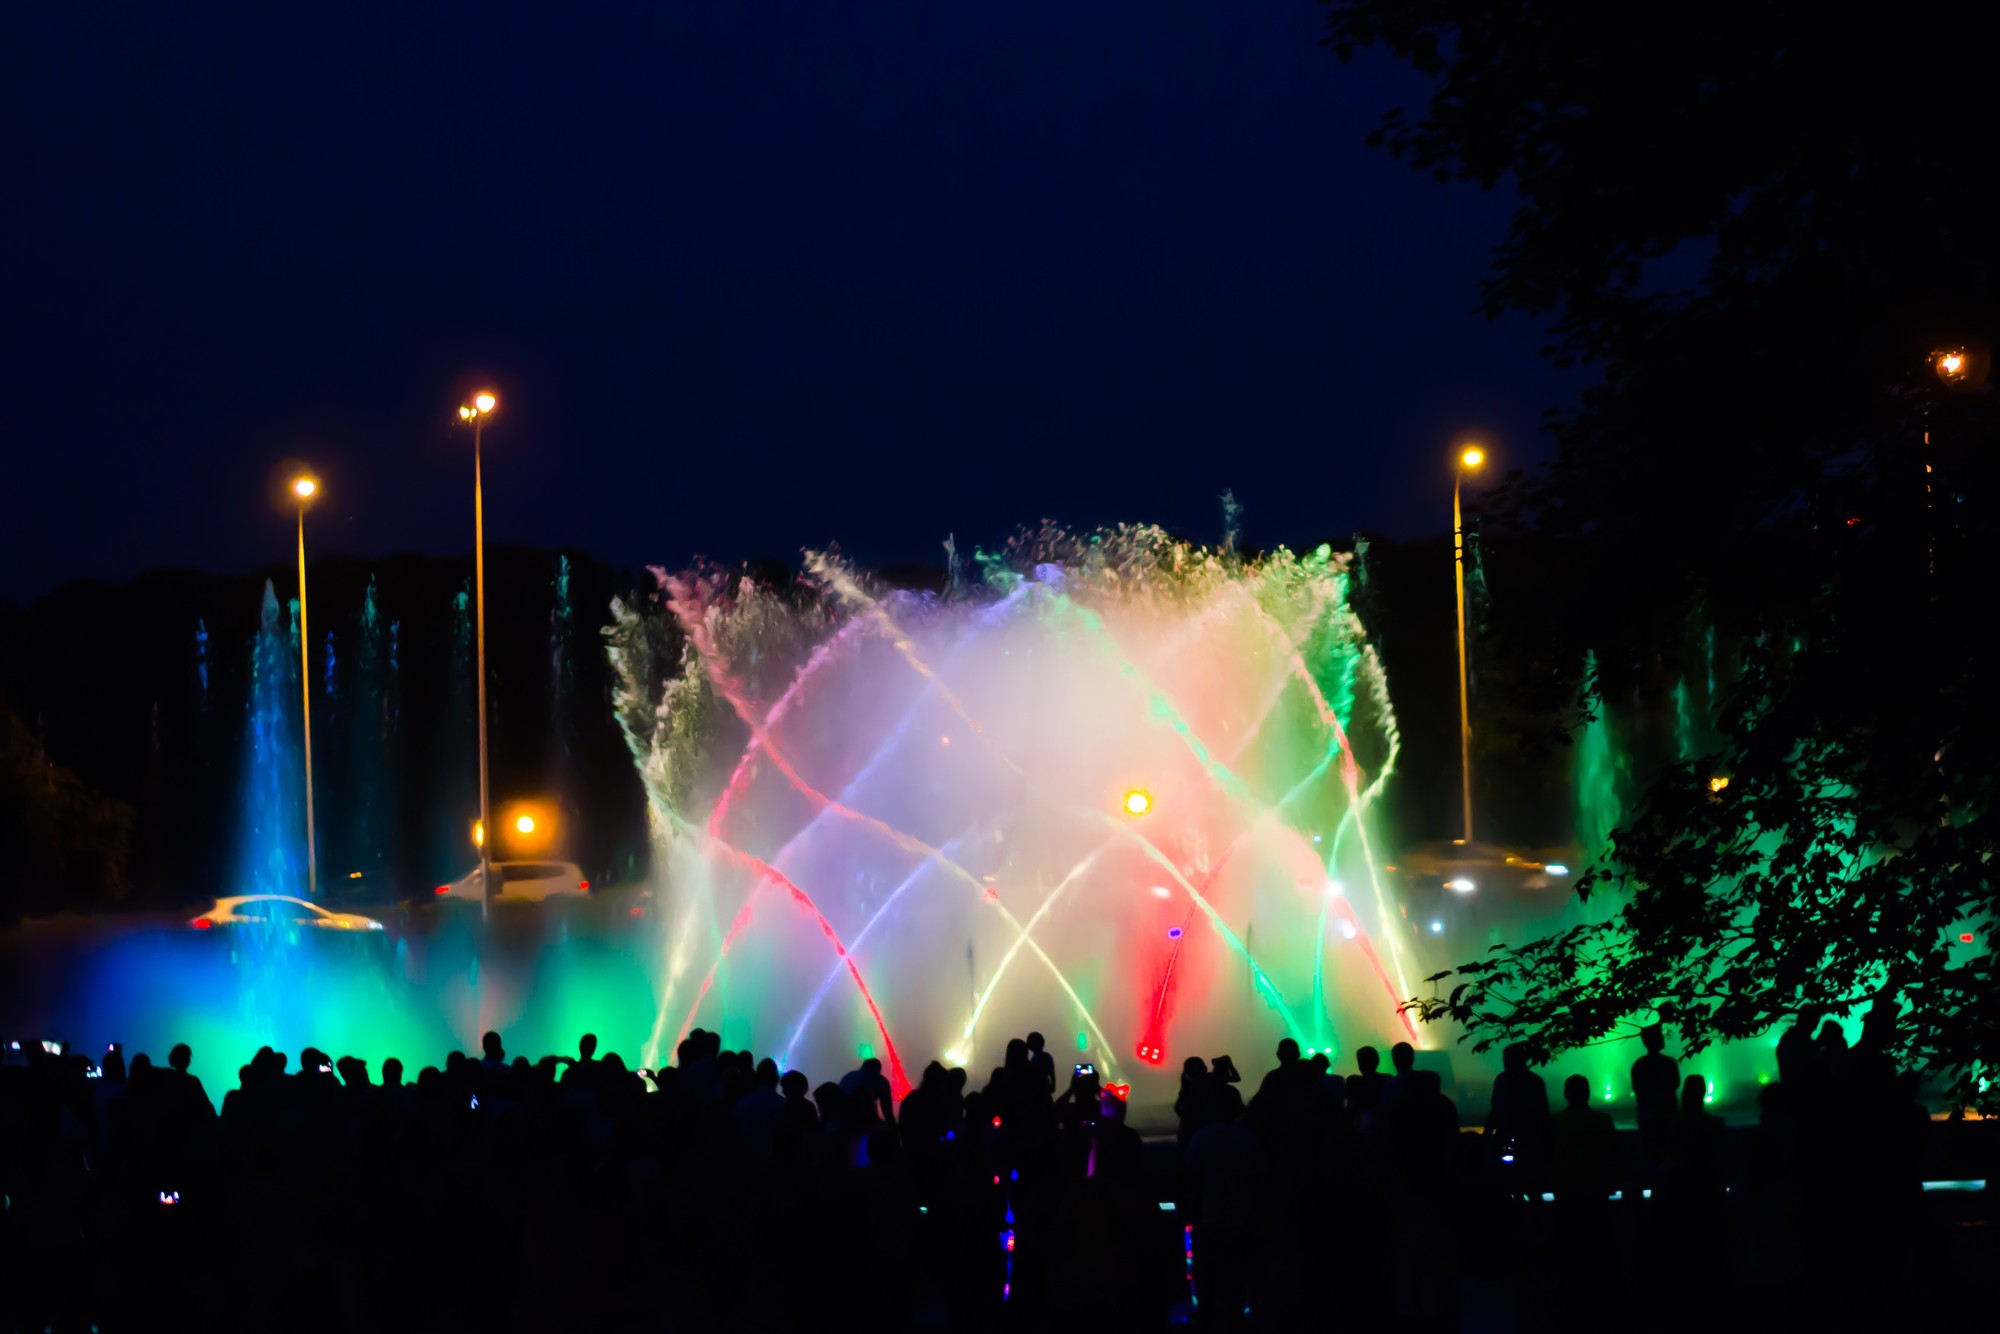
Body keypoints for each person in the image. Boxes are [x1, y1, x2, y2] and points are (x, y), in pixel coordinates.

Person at [1183, 1084, 1265, 1331]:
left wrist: (1190, 1215)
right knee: (1238, 1282)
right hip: (1242, 1220)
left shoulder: (1200, 1138)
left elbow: (1189, 1179)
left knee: (1207, 1282)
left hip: (1208, 1220)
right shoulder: (1248, 1139)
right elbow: (1260, 1178)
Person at [1549, 1074, 1617, 1203]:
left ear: (1566, 1094)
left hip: (1566, 1184)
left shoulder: (1555, 1122)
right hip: (1596, 1184)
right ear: (1588, 1093)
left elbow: (1549, 1155)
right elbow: (1613, 1153)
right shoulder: (1603, 1120)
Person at [1486, 1043, 1549, 1167]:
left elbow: (1496, 1110)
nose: (1506, 1062)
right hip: (1524, 1139)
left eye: (1509, 1058)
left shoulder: (1502, 1080)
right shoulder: (1534, 1081)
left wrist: (1486, 1136)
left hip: (1521, 1139)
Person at [1630, 1022, 1680, 1167]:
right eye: (1660, 1036)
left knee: (1650, 1157)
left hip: (1647, 1117)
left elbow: (1637, 1089)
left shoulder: (1639, 1065)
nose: (1663, 1038)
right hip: (1667, 1117)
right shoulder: (1668, 1063)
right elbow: (1675, 1083)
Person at [839, 1055, 895, 1125]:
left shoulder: (848, 1077)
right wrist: (894, 1129)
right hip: (866, 1121)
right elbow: (887, 1110)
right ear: (878, 1070)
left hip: (843, 1120)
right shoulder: (881, 1081)